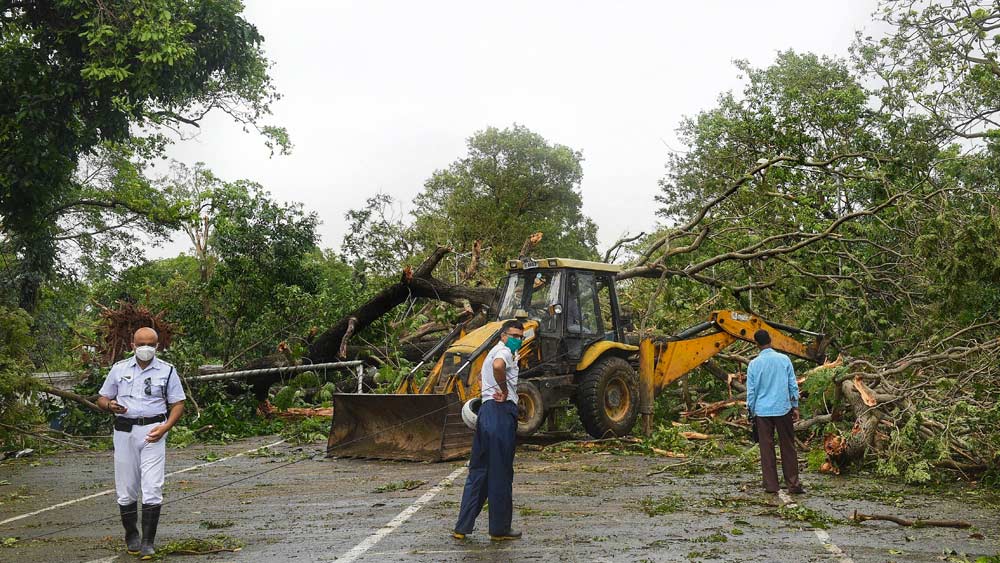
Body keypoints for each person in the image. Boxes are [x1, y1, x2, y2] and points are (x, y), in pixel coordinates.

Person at [97, 327, 185, 559]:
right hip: (125, 431)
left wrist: (166, 427)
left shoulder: (167, 371)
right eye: (141, 344)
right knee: (126, 487)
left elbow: (178, 403)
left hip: (153, 430)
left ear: (157, 346)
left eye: (150, 344)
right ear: (132, 345)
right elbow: (102, 397)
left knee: (152, 486)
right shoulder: (119, 369)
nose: (145, 348)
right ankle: (131, 535)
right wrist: (109, 406)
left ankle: (147, 542)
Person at [453, 320, 524, 541]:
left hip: (486, 413)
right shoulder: (502, 351)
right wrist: (504, 390)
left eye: (521, 336)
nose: (518, 340)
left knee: (479, 472)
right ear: (503, 335)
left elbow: (486, 375)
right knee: (501, 473)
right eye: (514, 335)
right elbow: (498, 367)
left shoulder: (492, 352)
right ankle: (499, 529)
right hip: (500, 413)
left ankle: (462, 528)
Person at [746, 329, 804, 495]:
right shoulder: (784, 359)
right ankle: (793, 484)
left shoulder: (754, 364)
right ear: (770, 340)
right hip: (783, 408)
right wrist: (795, 405)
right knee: (788, 446)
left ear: (756, 344)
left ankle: (771, 485)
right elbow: (792, 385)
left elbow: (751, 392)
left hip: (762, 411)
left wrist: (751, 411)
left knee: (766, 447)